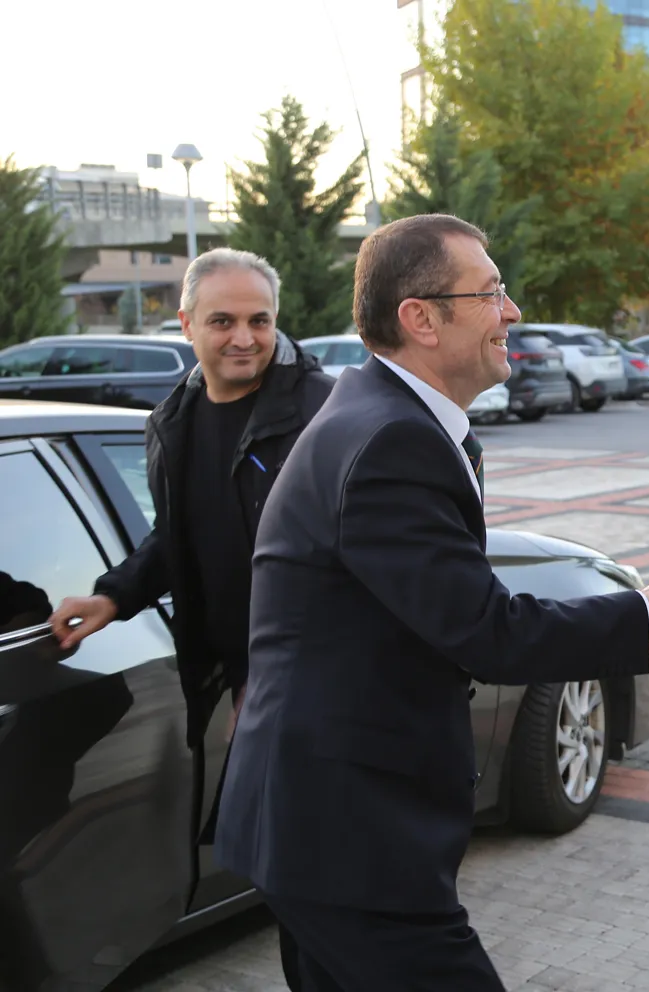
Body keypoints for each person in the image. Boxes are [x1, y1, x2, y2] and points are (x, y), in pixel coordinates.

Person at [214, 213, 649, 992]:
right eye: (489, 293)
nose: (511, 311)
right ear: (420, 318)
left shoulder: (388, 419)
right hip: (349, 833)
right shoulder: (389, 439)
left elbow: (442, 607)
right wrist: (645, 615)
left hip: (328, 825)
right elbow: (485, 631)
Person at [47, 246, 333, 986]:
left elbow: (360, 552)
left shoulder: (323, 412)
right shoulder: (174, 418)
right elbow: (179, 534)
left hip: (325, 683)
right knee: (290, 873)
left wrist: (285, 679)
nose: (244, 337)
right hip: (248, 681)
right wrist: (114, 595)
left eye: (260, 320)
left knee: (325, 877)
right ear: (186, 324)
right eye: (223, 321)